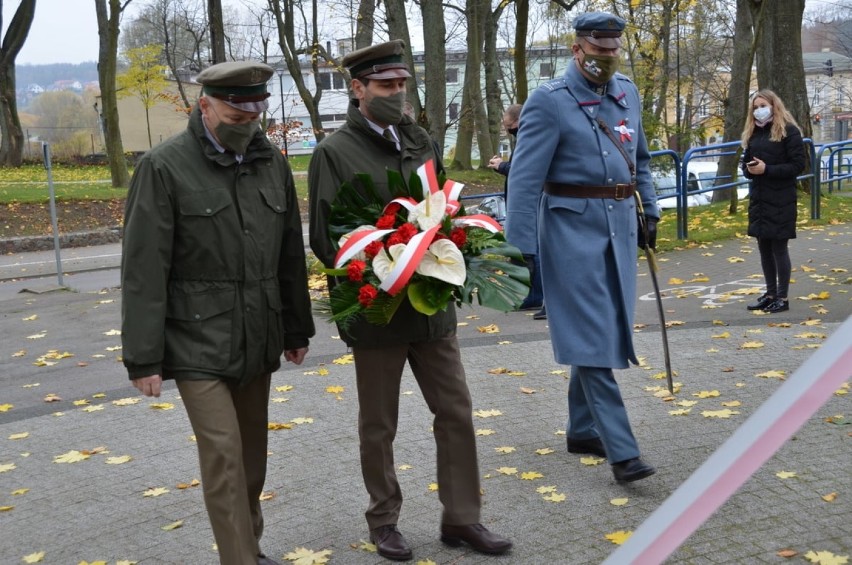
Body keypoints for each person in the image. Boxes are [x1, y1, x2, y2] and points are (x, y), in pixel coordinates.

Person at [308, 40, 512, 561]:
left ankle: (462, 518)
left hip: (431, 307)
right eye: (385, 86)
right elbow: (329, 237)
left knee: (456, 411)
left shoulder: (418, 138)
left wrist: (442, 251)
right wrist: (388, 263)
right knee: (379, 424)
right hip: (377, 308)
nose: (397, 94)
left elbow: (439, 204)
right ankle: (384, 521)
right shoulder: (334, 152)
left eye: (401, 84)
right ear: (358, 90)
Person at [121, 61, 316, 565]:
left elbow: (289, 253)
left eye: (256, 113)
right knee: (225, 456)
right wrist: (144, 358)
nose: (247, 123)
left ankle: (248, 545)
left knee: (252, 457)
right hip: (195, 339)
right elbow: (144, 269)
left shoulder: (270, 163)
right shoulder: (163, 167)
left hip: (259, 332)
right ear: (203, 105)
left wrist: (296, 327)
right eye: (235, 115)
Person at [505, 12, 659, 484]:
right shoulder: (549, 101)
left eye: (614, 50)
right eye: (599, 50)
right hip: (569, 234)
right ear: (578, 49)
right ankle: (622, 451)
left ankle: (581, 428)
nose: (607, 58)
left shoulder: (626, 92)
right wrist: (520, 254)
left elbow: (642, 160)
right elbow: (525, 181)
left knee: (602, 326)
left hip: (619, 229)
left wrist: (649, 211)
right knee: (592, 338)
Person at [741, 89, 806, 314]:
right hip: (760, 199)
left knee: (779, 247)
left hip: (781, 199)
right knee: (764, 247)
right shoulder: (754, 133)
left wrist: (767, 169)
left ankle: (782, 297)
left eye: (762, 105)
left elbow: (798, 165)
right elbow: (746, 162)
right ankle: (770, 294)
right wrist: (750, 169)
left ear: (773, 105)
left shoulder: (789, 131)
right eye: (755, 107)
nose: (759, 110)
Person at [487, 104, 546, 320]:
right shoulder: (527, 137)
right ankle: (533, 296)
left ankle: (537, 296)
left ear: (518, 122)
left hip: (530, 201)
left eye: (508, 126)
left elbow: (526, 171)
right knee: (529, 249)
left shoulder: (530, 138)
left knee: (531, 250)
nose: (507, 131)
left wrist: (501, 166)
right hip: (526, 200)